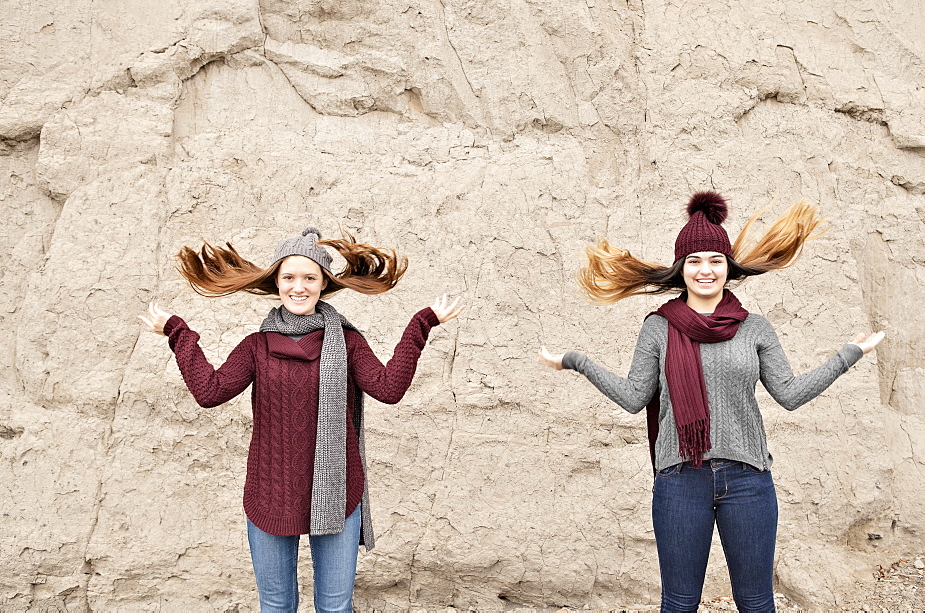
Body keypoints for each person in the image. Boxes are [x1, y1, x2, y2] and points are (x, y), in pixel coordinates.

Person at [538, 192, 884, 613]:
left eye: (715, 260)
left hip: (749, 480)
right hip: (681, 479)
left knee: (756, 603)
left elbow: (790, 394)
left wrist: (849, 354)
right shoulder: (658, 329)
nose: (706, 270)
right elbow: (633, 398)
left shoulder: (755, 329)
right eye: (695, 261)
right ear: (681, 268)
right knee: (680, 604)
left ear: (728, 266)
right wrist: (578, 361)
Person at [139, 227, 464, 613]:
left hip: (335, 491)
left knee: (335, 607)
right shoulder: (256, 347)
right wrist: (178, 334)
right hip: (270, 491)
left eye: (309, 277)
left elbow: (388, 388)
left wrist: (422, 325)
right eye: (289, 277)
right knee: (276, 606)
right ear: (276, 282)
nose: (299, 287)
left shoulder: (347, 342)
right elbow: (210, 392)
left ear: (323, 283)